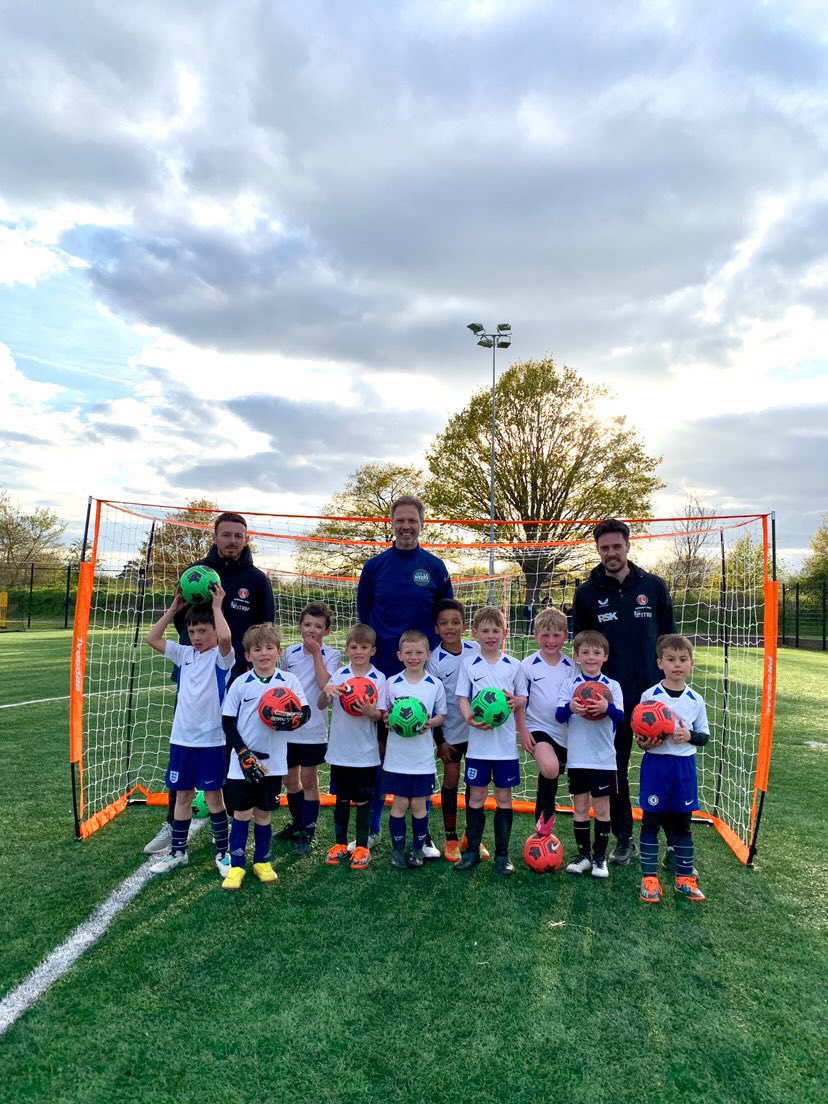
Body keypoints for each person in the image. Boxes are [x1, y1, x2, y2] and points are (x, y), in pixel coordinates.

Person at [144, 511, 275, 856]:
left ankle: (234, 817)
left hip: (239, 679)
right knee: (187, 741)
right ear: (215, 537)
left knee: (234, 750)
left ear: (246, 539)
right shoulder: (195, 574)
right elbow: (180, 626)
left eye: (238, 535)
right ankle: (173, 824)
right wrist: (196, 648)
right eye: (226, 534)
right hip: (194, 673)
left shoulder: (257, 580)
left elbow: (266, 630)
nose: (232, 541)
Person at [572, 518, 675, 866]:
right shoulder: (586, 593)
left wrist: (669, 689)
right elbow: (582, 646)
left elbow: (668, 641)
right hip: (608, 702)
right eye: (604, 548)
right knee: (613, 769)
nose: (611, 553)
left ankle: (673, 838)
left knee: (664, 766)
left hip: (652, 701)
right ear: (597, 549)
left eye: (617, 547)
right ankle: (623, 838)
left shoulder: (655, 587)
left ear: (628, 546)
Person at [356, 495, 453, 855]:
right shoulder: (375, 567)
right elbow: (365, 613)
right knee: (381, 748)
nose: (407, 526)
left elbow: (445, 616)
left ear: (422, 524)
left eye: (413, 521)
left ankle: (423, 831)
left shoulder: (434, 566)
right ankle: (376, 824)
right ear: (391, 523)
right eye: (401, 521)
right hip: (385, 672)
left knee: (423, 745)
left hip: (424, 672)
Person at [144, 585, 234, 876]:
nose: (197, 637)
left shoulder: (222, 658)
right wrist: (173, 610)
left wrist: (218, 607)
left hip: (210, 741)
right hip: (181, 739)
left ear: (212, 632)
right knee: (182, 796)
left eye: (203, 631)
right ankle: (178, 851)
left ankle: (223, 852)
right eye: (193, 632)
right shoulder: (184, 655)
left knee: (213, 798)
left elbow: (226, 638)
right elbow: (152, 638)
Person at [220, 623, 310, 890]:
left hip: (272, 764)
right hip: (242, 763)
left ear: (278, 652)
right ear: (247, 655)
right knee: (241, 813)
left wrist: (289, 720)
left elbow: (303, 714)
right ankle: (236, 866)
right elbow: (227, 723)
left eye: (269, 648)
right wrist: (243, 753)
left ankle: (262, 861)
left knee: (263, 814)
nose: (264, 653)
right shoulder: (240, 683)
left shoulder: (289, 682)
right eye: (257, 649)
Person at [455, 606, 528, 876]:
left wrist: (516, 700)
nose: (490, 635)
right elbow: (463, 697)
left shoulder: (514, 665)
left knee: (504, 797)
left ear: (504, 634)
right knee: (476, 796)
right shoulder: (469, 664)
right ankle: (472, 850)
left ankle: (502, 855)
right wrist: (469, 718)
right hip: (478, 746)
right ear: (475, 634)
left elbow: (523, 698)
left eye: (495, 631)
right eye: (484, 631)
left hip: (505, 747)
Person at [636, 634, 709, 904]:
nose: (677, 665)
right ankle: (649, 879)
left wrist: (688, 735)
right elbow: (641, 738)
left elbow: (704, 736)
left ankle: (684, 878)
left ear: (691, 664)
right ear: (660, 663)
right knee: (651, 821)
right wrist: (646, 741)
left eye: (683, 660)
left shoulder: (695, 700)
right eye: (670, 659)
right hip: (657, 766)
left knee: (682, 824)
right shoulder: (650, 696)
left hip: (684, 768)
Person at [318, 624, 388, 871]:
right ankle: (339, 844)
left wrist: (371, 711)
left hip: (365, 753)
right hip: (339, 750)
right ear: (347, 649)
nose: (359, 651)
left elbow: (381, 715)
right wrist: (326, 691)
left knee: (362, 800)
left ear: (373, 650)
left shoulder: (378, 679)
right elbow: (320, 704)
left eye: (364, 647)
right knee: (341, 798)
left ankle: (361, 845)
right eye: (354, 647)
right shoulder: (340, 676)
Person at [555, 630, 624, 879]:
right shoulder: (570, 684)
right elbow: (559, 716)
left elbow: (621, 718)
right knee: (580, 807)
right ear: (577, 656)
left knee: (602, 808)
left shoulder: (612, 686)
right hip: (578, 758)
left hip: (604, 758)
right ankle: (583, 856)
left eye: (596, 653)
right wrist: (571, 708)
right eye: (585, 652)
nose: (591, 657)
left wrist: (607, 707)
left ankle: (600, 859)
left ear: (605, 656)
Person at [278, 602, 342, 855]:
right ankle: (298, 822)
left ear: (326, 631)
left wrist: (316, 654)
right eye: (307, 625)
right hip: (287, 728)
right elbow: (280, 685)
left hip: (313, 728)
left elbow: (327, 685)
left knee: (308, 778)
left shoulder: (332, 655)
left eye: (318, 626)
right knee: (289, 779)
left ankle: (309, 830)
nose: (311, 630)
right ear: (300, 626)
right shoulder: (290, 653)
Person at [426, 599, 486, 863]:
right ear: (436, 628)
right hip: (450, 733)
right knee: (451, 782)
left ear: (464, 625)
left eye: (455, 622)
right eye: (443, 623)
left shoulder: (477, 650)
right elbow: (434, 703)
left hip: (478, 732)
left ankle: (471, 837)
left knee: (476, 784)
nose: (450, 627)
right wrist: (439, 741)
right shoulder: (434, 660)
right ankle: (450, 838)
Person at [384, 630, 447, 869]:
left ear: (428, 655)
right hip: (397, 758)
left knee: (419, 805)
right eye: (408, 652)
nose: (413, 657)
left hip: (422, 759)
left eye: (419, 652)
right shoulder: (392, 683)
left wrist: (430, 722)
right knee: (400, 804)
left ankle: (417, 850)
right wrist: (388, 720)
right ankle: (398, 850)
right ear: (400, 655)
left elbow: (442, 715)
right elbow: (385, 714)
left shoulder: (434, 685)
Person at [516, 606, 576, 836]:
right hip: (537, 728)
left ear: (566, 636)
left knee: (552, 773)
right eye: (545, 635)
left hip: (566, 732)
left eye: (556, 635)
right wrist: (523, 731)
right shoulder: (527, 665)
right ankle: (544, 824)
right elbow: (521, 702)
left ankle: (543, 822)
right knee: (550, 768)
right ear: (535, 636)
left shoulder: (572, 666)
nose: (551, 641)